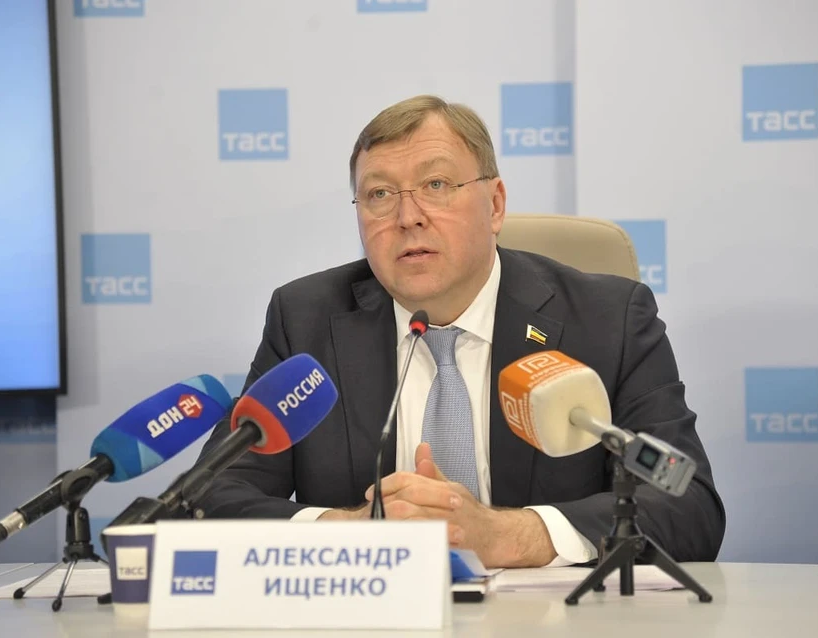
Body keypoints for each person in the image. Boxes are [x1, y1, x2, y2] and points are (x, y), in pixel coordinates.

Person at [192, 95, 725, 568]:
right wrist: (349, 533)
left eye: (436, 185)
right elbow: (208, 499)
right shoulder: (306, 319)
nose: (407, 217)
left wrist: (508, 536)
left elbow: (688, 504)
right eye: (379, 194)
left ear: (495, 205)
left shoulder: (608, 319)